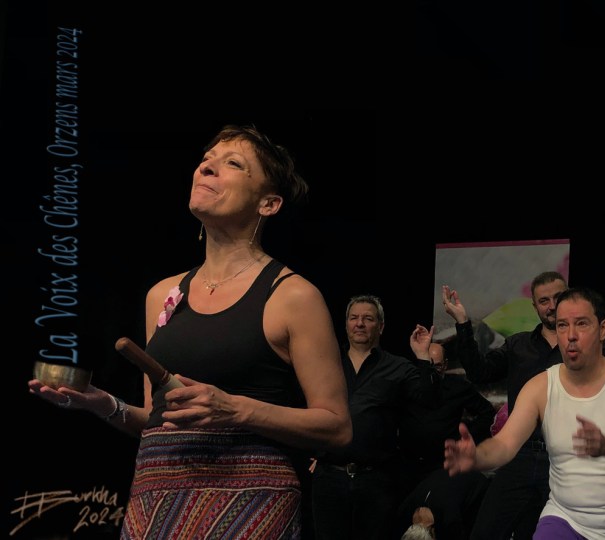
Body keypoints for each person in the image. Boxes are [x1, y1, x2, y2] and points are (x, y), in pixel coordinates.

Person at [28, 124, 353, 538]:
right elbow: (156, 418)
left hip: (249, 504)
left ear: (269, 203)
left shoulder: (293, 295)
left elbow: (337, 427)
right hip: (157, 498)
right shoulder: (162, 294)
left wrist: (236, 409)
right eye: (206, 160)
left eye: (232, 163)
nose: (206, 167)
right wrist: (104, 404)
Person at [441, 272, 605, 539]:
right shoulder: (534, 375)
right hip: (557, 505)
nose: (571, 335)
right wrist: (477, 457)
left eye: (581, 323)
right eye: (562, 325)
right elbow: (504, 442)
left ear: (602, 329)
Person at [309, 295, 441, 540]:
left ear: (380, 326)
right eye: (354, 318)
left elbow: (429, 401)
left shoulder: (398, 367)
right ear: (346, 324)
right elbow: (305, 406)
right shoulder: (326, 364)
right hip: (329, 478)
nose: (359, 323)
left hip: (376, 481)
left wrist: (423, 356)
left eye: (368, 319)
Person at [399, 342, 497, 486]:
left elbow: (487, 413)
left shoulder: (458, 387)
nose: (432, 371)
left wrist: (465, 438)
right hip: (408, 465)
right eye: (428, 366)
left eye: (437, 366)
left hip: (445, 465)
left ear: (445, 365)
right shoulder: (406, 386)